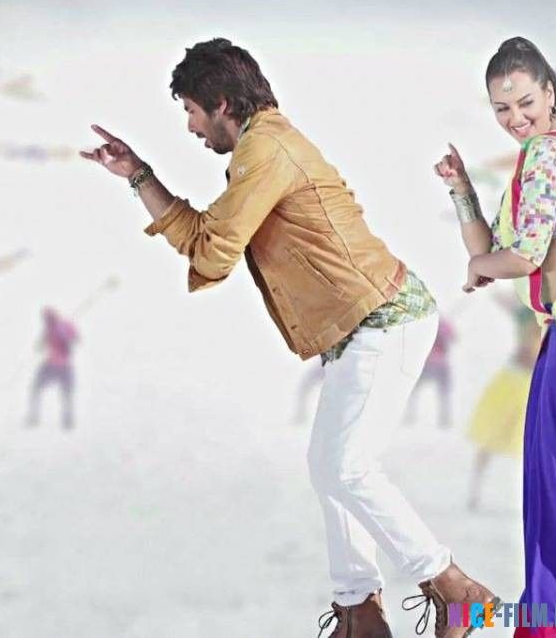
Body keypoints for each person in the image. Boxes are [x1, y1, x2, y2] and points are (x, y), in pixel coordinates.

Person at [80, 37, 495, 637]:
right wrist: (138, 175)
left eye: (192, 111)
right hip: (359, 327)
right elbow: (206, 239)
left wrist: (149, 184)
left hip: (385, 317)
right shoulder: (261, 148)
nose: (191, 127)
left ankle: (455, 589)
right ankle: (359, 612)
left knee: (345, 466)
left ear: (222, 103)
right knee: (331, 467)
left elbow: (212, 252)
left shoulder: (266, 149)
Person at [435, 36, 556, 638]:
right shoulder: (553, 153)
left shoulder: (549, 156)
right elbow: (495, 249)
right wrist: (462, 191)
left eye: (525, 103)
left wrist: (479, 268)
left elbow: (522, 257)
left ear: (549, 93)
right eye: (502, 109)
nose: (515, 118)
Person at [465, 303, 540, 512]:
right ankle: (475, 493)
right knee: (489, 437)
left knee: (530, 444)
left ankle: (531, 498)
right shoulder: (528, 314)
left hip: (528, 381)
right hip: (514, 379)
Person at [25, 307, 79, 430]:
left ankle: (67, 420)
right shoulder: (49, 330)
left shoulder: (63, 326)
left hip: (63, 367)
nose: (47, 321)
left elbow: (75, 338)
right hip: (53, 365)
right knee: (36, 388)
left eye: (48, 319)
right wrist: (40, 343)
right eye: (46, 319)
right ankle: (34, 417)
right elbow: (43, 342)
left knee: (66, 394)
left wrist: (65, 336)